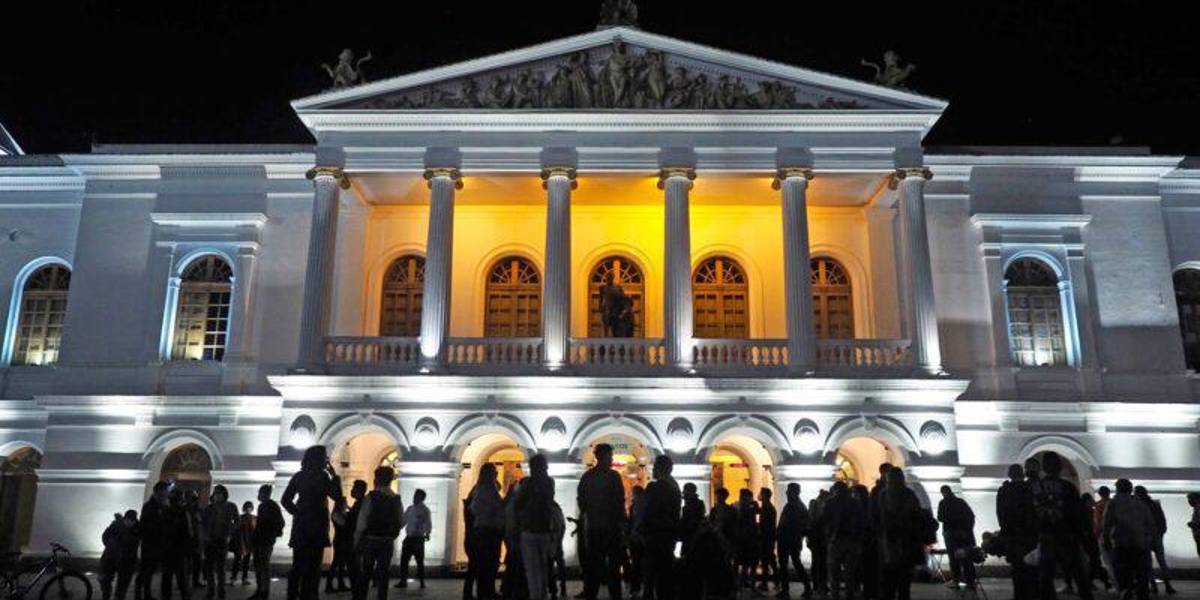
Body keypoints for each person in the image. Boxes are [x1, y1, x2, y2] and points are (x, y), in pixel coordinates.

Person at [282, 445, 343, 600]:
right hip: (317, 526)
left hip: (302, 526)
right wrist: (335, 477)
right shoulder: (322, 477)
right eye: (325, 457)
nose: (327, 460)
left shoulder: (299, 476)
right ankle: (309, 596)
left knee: (298, 565)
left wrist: (298, 513)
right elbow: (337, 496)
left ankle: (293, 595)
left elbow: (285, 500)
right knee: (313, 568)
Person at [1029, 452, 1092, 600]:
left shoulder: (1035, 487)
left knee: (1045, 577)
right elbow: (1077, 513)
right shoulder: (1067, 487)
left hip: (1045, 536)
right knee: (1079, 575)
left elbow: (1029, 512)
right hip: (1067, 536)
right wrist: (1083, 535)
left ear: (1043, 467)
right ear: (1060, 467)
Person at [577, 443, 626, 600]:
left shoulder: (588, 477)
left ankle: (593, 593)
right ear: (601, 457)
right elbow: (620, 502)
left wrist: (589, 513)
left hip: (596, 527)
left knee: (595, 566)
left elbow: (581, 501)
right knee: (611, 568)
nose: (611, 459)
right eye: (610, 456)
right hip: (607, 528)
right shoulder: (612, 477)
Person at [354, 466, 403, 600]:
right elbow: (400, 520)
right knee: (383, 574)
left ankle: (362, 597)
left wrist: (356, 540)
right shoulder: (396, 498)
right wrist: (394, 534)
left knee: (366, 572)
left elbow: (362, 521)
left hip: (370, 539)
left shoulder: (371, 497)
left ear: (378, 479)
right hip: (387, 540)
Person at [1103, 478, 1154, 600]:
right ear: (1130, 489)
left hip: (1121, 544)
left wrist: (1106, 539)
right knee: (1141, 574)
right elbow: (1150, 523)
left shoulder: (1113, 503)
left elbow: (1107, 523)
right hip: (1140, 544)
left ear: (1117, 488)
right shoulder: (1139, 503)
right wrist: (1149, 539)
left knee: (1122, 573)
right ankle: (1142, 593)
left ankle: (1126, 591)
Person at [515, 454, 557, 600]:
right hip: (542, 530)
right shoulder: (549, 482)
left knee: (534, 570)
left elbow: (518, 505)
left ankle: (537, 596)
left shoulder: (529, 484)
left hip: (531, 530)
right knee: (542, 569)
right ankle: (540, 595)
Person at [875, 469, 921, 600]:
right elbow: (915, 514)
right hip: (906, 540)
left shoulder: (884, 494)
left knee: (889, 580)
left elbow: (879, 517)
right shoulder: (908, 494)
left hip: (889, 540)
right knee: (904, 581)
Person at [639, 455, 680, 600]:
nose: (653, 469)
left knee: (655, 571)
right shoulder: (673, 485)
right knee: (664, 573)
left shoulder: (661, 486)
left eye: (655, 466)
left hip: (657, 534)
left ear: (662, 468)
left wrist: (641, 528)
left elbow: (651, 511)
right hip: (667, 534)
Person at [996, 463, 1037, 600]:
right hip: (1030, 536)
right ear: (1022, 474)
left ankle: (1020, 595)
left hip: (1012, 536)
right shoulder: (1030, 488)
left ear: (1010, 474)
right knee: (1031, 569)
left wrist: (1004, 531)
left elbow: (1001, 514)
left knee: (1017, 569)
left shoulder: (1004, 491)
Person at [468, 462, 505, 600]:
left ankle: (486, 591)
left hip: (485, 530)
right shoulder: (487, 489)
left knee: (488, 564)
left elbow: (473, 508)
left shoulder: (482, 489)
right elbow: (497, 507)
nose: (496, 474)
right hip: (488, 531)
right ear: (488, 474)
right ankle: (486, 593)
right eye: (494, 472)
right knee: (489, 564)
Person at [823, 481, 864, 600]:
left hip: (836, 540)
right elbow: (861, 522)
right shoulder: (854, 503)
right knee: (849, 573)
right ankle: (848, 595)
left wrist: (828, 536)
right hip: (850, 540)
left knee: (834, 572)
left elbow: (825, 520)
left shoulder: (830, 503)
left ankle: (836, 595)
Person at [1133, 486, 1176, 595]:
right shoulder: (1154, 504)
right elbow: (1162, 521)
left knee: (1147, 563)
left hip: (1144, 536)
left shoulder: (1137, 506)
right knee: (1162, 561)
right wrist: (1160, 533)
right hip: (1156, 535)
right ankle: (1168, 585)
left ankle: (1153, 586)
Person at [201, 484, 240, 599]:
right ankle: (211, 591)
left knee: (220, 568)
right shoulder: (209, 508)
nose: (217, 496)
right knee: (209, 568)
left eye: (220, 493)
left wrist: (230, 531)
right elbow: (203, 523)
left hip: (222, 540)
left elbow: (237, 522)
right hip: (210, 540)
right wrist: (204, 536)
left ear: (224, 495)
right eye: (216, 493)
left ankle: (221, 592)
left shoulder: (231, 506)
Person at [935, 485, 976, 589]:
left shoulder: (943, 503)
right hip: (962, 533)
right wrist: (967, 530)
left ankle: (956, 580)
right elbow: (970, 515)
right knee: (965, 556)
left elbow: (940, 517)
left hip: (950, 533)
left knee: (953, 557)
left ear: (943, 493)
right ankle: (970, 580)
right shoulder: (960, 502)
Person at [776, 483, 811, 599]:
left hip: (789, 540)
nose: (786, 493)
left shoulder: (796, 506)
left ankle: (801, 587)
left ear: (794, 492)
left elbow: (803, 525)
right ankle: (791, 589)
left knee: (793, 564)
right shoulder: (794, 505)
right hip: (788, 539)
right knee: (791, 564)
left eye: (788, 491)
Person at [250, 484, 285, 600]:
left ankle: (263, 591)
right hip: (261, 540)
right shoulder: (265, 506)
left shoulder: (270, 506)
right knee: (260, 566)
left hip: (265, 540)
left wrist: (270, 534)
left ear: (264, 494)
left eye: (260, 493)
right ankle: (261, 590)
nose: (258, 495)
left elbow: (278, 523)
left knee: (263, 566)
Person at [394, 488, 432, 590]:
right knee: (404, 560)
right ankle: (403, 581)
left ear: (422, 498)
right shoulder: (410, 508)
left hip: (418, 538)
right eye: (414, 495)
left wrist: (427, 533)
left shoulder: (425, 510)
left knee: (419, 561)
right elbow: (403, 521)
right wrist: (397, 527)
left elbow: (428, 523)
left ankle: (422, 582)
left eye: (416, 496)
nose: (414, 497)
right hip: (409, 538)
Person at [137, 482, 170, 600]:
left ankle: (147, 594)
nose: (168, 493)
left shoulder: (163, 506)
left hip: (158, 544)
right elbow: (146, 525)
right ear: (159, 491)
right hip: (150, 544)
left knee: (150, 571)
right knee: (144, 571)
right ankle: (138, 595)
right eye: (166, 490)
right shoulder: (149, 506)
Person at [162, 488, 195, 600]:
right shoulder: (184, 513)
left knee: (167, 578)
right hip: (179, 550)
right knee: (181, 579)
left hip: (169, 549)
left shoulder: (165, 511)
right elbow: (190, 532)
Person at [101, 510, 141, 600]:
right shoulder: (116, 526)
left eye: (132, 521)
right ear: (125, 519)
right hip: (113, 558)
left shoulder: (137, 528)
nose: (130, 522)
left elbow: (105, 537)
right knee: (107, 582)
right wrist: (111, 548)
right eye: (129, 520)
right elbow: (105, 537)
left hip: (126, 561)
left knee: (121, 586)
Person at [851, 485, 878, 600]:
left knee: (867, 567)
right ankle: (868, 590)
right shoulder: (865, 505)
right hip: (864, 540)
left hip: (866, 541)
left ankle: (868, 591)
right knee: (866, 568)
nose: (853, 496)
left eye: (854, 493)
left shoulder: (863, 507)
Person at [1080, 494, 1112, 592]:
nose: (1092, 502)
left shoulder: (1089, 512)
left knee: (1094, 562)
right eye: (1090, 501)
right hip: (1090, 541)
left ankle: (1101, 581)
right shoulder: (1087, 513)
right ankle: (1104, 581)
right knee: (1094, 562)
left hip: (1091, 540)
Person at [733, 488, 761, 591]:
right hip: (746, 539)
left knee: (744, 562)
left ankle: (741, 582)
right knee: (747, 562)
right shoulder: (746, 508)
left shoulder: (737, 506)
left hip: (744, 539)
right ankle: (744, 583)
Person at [327, 497, 352, 593]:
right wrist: (349, 510)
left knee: (342, 564)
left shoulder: (341, 513)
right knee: (336, 563)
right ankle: (329, 585)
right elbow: (344, 524)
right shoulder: (336, 514)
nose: (346, 504)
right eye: (345, 503)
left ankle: (341, 584)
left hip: (343, 540)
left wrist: (349, 509)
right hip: (339, 540)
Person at [808, 489, 830, 596]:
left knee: (818, 563)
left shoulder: (816, 506)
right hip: (818, 540)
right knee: (820, 564)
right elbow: (814, 521)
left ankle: (818, 585)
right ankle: (819, 585)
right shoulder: (817, 507)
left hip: (817, 540)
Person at [625, 485, 646, 598]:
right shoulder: (633, 507)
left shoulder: (644, 506)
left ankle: (638, 587)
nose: (632, 495)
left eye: (634, 493)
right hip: (635, 539)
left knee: (639, 564)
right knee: (636, 563)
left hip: (641, 539)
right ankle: (636, 588)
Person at [757, 488, 779, 593]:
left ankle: (766, 583)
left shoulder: (767, 508)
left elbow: (766, 524)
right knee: (770, 560)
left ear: (765, 495)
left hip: (766, 538)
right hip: (768, 537)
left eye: (761, 494)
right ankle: (776, 580)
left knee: (766, 560)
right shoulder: (767, 507)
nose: (759, 495)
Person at [678, 482, 706, 559]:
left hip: (692, 534)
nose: (683, 493)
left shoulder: (693, 504)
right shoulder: (697, 503)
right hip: (691, 534)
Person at [548, 501, 569, 600]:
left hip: (551, 542)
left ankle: (554, 590)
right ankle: (560, 588)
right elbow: (562, 526)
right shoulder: (557, 509)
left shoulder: (549, 508)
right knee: (559, 565)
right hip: (556, 541)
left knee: (550, 566)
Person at [233, 501, 255, 586]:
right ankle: (234, 577)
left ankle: (243, 578)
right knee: (237, 561)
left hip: (248, 543)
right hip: (240, 542)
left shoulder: (253, 518)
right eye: (247, 507)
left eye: (249, 507)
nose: (248, 509)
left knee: (245, 561)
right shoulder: (240, 518)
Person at [1188, 492, 1200, 560]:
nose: (1189, 501)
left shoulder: (1198, 508)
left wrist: (1193, 524)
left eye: (1190, 499)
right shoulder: (1196, 508)